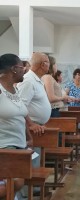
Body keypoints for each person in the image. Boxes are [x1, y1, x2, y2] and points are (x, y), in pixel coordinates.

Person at [17, 52, 51, 198]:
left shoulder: (37, 79)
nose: (49, 64)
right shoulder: (29, 81)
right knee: (30, 159)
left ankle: (34, 188)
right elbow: (20, 106)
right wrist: (30, 125)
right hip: (31, 128)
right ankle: (26, 192)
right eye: (48, 62)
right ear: (43, 64)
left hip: (38, 126)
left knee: (35, 158)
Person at [0, 53, 33, 199]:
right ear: (14, 69)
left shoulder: (15, 90)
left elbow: (21, 115)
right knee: (15, 184)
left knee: (17, 184)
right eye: (22, 67)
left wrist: (28, 136)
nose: (24, 70)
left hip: (20, 146)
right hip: (4, 147)